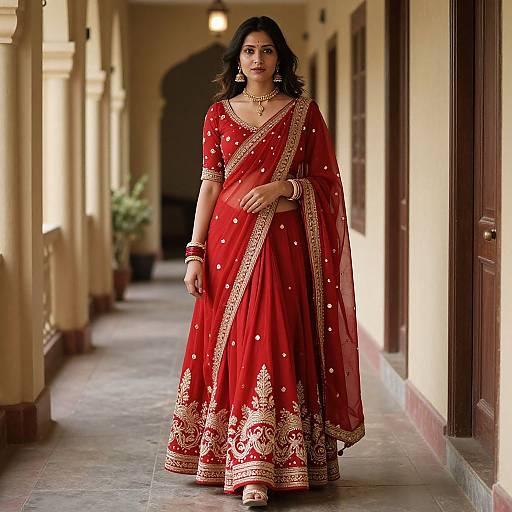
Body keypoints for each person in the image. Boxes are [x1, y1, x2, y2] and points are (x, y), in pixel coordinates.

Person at [164, 15, 365, 508]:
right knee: (232, 342)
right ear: (238, 60)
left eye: (268, 50)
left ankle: (267, 468)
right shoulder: (217, 115)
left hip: (281, 245)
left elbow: (326, 184)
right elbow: (210, 184)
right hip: (226, 246)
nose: (258, 59)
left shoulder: (302, 113)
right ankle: (233, 459)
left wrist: (284, 189)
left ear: (280, 59)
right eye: (250, 51)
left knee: (273, 334)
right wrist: (194, 251)